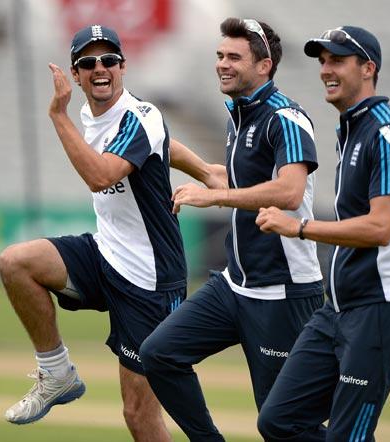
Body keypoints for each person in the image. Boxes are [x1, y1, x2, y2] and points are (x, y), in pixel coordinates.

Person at [0, 25, 224, 440]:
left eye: (108, 60)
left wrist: (56, 115)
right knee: (16, 262)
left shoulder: (141, 115)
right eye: (88, 62)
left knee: (139, 414)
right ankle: (56, 373)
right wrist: (207, 170)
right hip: (107, 256)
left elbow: (101, 176)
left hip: (150, 279)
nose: (99, 68)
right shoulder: (96, 114)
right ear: (76, 73)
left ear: (123, 66)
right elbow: (163, 145)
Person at [139, 18, 325, 441]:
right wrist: (208, 177)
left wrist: (217, 198)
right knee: (160, 353)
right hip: (234, 286)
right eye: (220, 55)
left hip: (282, 294)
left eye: (234, 57)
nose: (222, 64)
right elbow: (246, 182)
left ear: (264, 66)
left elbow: (290, 192)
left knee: (285, 428)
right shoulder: (239, 115)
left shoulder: (286, 118)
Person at [256, 26, 390, 441]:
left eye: (337, 60)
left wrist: (299, 227)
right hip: (339, 310)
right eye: (323, 61)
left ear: (368, 68)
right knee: (278, 421)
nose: (325, 70)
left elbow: (380, 227)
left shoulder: (386, 133)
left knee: (347, 436)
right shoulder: (351, 129)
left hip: (384, 308)